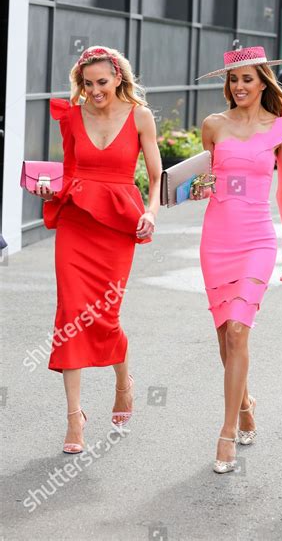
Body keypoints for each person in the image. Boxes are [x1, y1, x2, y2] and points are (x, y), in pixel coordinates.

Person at [32, 46, 162, 454]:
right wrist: (46, 187)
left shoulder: (140, 116)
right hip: (76, 222)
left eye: (102, 83)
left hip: (118, 226)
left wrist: (153, 213)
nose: (94, 91)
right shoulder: (71, 117)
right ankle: (75, 418)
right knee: (71, 313)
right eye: (87, 84)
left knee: (104, 316)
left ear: (118, 77)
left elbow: (156, 177)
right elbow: (67, 172)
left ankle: (123, 382)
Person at [193, 45, 282, 474]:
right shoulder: (212, 126)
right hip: (216, 240)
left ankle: (225, 434)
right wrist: (196, 186)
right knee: (225, 339)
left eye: (248, 79)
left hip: (257, 239)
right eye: (234, 80)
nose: (240, 87)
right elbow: (204, 180)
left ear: (263, 83)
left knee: (239, 332)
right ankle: (245, 407)